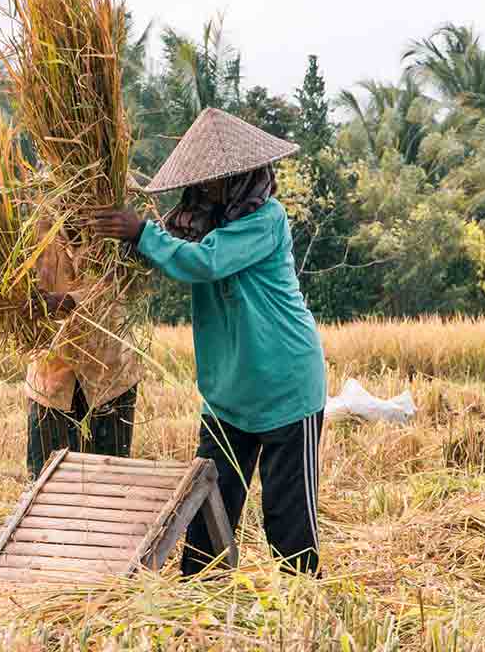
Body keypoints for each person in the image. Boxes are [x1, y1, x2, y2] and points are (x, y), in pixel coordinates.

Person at [91, 107, 327, 575]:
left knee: (288, 525)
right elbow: (171, 253)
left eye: (218, 180)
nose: (207, 188)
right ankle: (202, 615)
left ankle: (304, 619)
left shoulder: (266, 219)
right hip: (226, 399)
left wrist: (141, 233)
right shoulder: (195, 224)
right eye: (202, 180)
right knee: (205, 521)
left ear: (243, 177)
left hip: (285, 390)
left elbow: (205, 264)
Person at [23, 220, 145, 478]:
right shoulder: (36, 219)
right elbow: (18, 278)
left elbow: (127, 277)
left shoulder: (113, 208)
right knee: (46, 484)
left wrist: (72, 301)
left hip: (109, 374)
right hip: (51, 377)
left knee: (109, 484)